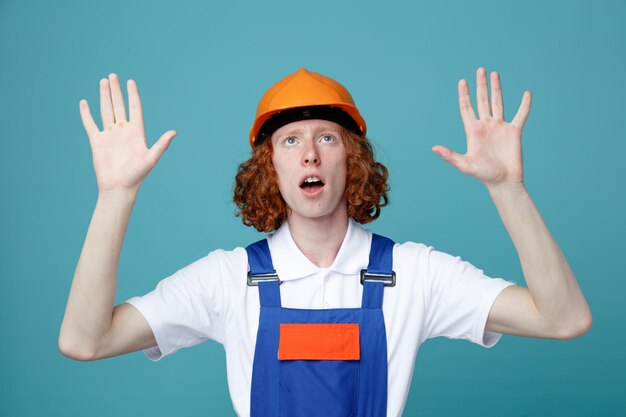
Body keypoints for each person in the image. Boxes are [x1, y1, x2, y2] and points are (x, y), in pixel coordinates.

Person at [59, 67, 592, 417]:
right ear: (271, 168)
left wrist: (508, 188)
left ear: (351, 160)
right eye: (290, 140)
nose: (309, 153)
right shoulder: (226, 280)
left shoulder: (414, 273)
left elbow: (562, 319)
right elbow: (86, 341)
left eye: (326, 138)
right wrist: (115, 194)